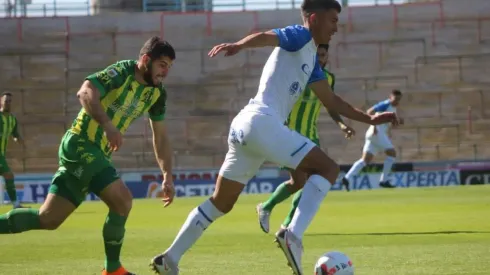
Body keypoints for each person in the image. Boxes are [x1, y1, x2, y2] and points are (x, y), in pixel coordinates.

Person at [150, 1, 397, 274]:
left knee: (220, 203)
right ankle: (292, 235)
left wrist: (370, 119)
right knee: (327, 169)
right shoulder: (301, 35)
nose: (336, 28)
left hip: (245, 126)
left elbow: (331, 100)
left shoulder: (312, 58)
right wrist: (240, 45)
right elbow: (268, 36)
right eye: (333, 21)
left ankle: (170, 258)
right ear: (314, 19)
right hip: (261, 122)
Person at [0, 36, 177, 275]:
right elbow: (85, 92)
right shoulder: (122, 72)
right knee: (123, 200)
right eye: (162, 64)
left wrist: (167, 174)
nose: (165, 72)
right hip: (81, 144)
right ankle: (113, 270)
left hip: (96, 154)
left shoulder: (157, 94)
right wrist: (107, 124)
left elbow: (161, 137)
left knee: (48, 219)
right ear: (146, 60)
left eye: (169, 67)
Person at [256, 43, 355, 235]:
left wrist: (341, 124)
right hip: (290, 135)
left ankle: (284, 223)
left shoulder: (329, 79)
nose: (320, 58)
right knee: (299, 182)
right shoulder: (297, 74)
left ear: (327, 58)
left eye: (323, 55)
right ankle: (268, 208)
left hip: (311, 135)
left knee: (307, 181)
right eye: (317, 54)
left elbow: (330, 105)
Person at [342, 90, 403, 189]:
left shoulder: (393, 107)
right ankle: (384, 180)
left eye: (399, 99)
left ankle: (346, 178)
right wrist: (374, 125)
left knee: (365, 160)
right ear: (390, 97)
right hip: (377, 132)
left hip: (373, 134)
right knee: (392, 154)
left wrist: (398, 121)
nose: (397, 101)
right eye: (396, 99)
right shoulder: (385, 104)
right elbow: (370, 111)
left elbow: (386, 120)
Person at [0, 92, 25, 208]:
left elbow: (15, 134)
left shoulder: (12, 119)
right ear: (1, 101)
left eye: (10, 101)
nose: (8, 103)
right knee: (9, 175)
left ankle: (15, 204)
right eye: (6, 101)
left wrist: (19, 141)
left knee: (9, 176)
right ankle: (16, 204)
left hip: (2, 154)